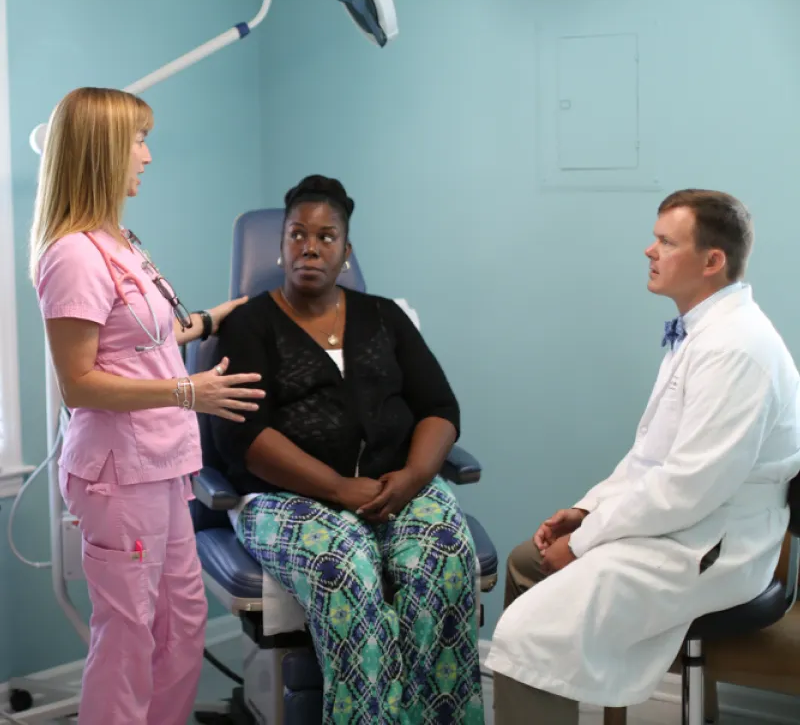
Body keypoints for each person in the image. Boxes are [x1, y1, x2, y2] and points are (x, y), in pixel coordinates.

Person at [487, 189, 800, 723]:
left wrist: (584, 542)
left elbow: (687, 488)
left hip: (712, 546)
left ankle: (536, 679)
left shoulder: (736, 349)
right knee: (526, 562)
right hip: (687, 525)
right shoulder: (702, 333)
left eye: (664, 241)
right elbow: (648, 459)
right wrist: (586, 512)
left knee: (524, 635)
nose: (648, 251)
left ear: (712, 261)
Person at [209, 175, 484, 724]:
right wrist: (338, 489)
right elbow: (247, 439)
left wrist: (412, 476)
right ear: (282, 244)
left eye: (326, 237)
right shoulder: (248, 325)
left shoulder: (385, 316)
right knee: (346, 568)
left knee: (441, 559)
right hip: (285, 499)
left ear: (346, 250)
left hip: (396, 485)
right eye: (297, 234)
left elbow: (439, 408)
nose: (310, 247)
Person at [30, 87, 266, 725]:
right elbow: (79, 382)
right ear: (104, 150)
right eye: (138, 140)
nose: (148, 156)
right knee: (130, 632)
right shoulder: (73, 255)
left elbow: (149, 336)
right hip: (118, 474)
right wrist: (189, 391)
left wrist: (223, 315)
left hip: (163, 463)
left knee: (183, 621)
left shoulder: (121, 240)